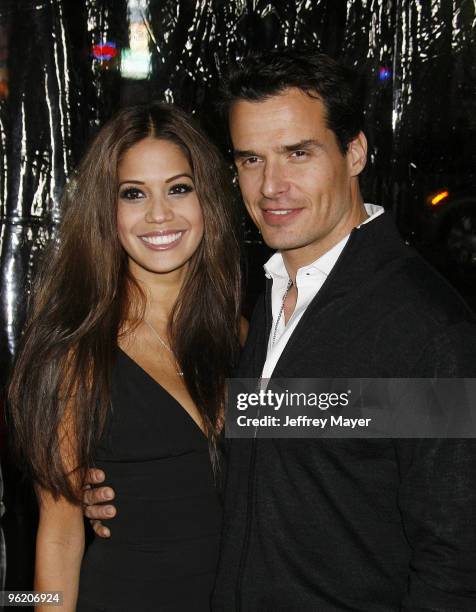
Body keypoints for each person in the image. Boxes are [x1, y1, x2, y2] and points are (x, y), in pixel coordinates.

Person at [84, 50, 476, 611]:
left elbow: (457, 564)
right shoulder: (262, 306)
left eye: (297, 153)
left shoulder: (427, 330)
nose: (272, 185)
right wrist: (119, 486)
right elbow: (277, 464)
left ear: (355, 151)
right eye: (250, 159)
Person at [9, 102, 242, 611]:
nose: (159, 214)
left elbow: (346, 432)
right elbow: (59, 537)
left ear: (209, 199)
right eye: (133, 194)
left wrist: (449, 408)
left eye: (179, 188)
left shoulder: (247, 336)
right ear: (105, 210)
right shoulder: (74, 350)